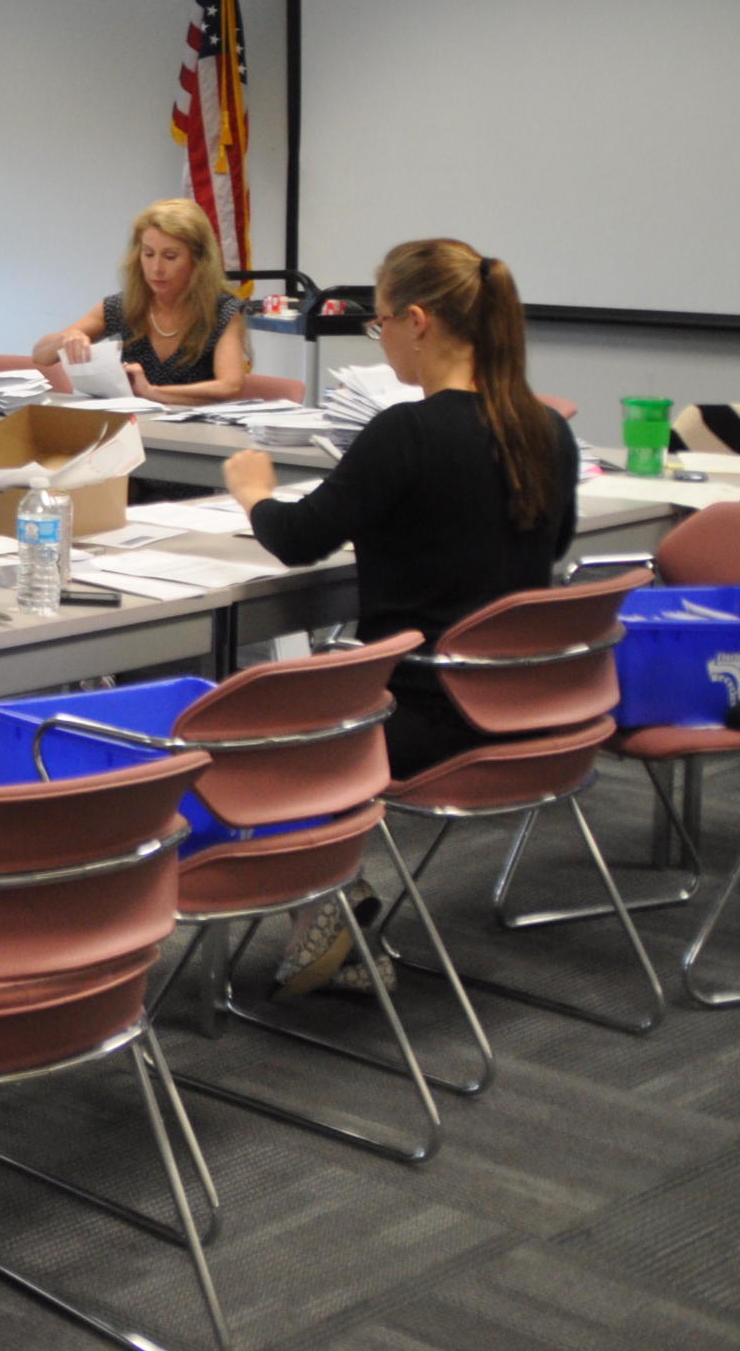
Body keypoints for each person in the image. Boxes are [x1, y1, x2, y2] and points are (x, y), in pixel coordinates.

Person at [224, 237, 577, 997]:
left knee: (242, 727)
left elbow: (297, 540)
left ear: (417, 321)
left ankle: (328, 899)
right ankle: (337, 907)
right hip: (528, 712)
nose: (377, 338)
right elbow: (553, 545)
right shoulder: (548, 433)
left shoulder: (404, 435)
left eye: (377, 322)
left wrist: (254, 490)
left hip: (417, 714)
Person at [36, 197, 253, 404]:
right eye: (148, 254)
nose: (156, 268)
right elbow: (41, 355)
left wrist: (152, 392)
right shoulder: (123, 306)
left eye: (170, 257)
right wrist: (66, 339)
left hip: (194, 436)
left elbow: (230, 386)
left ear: (198, 261)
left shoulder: (221, 311)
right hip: (132, 430)